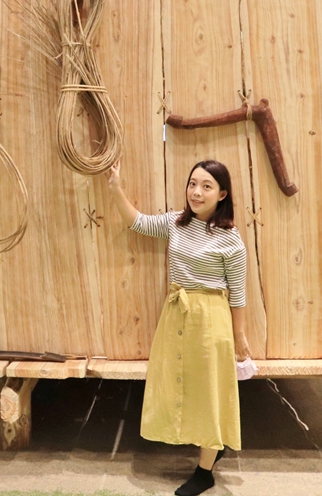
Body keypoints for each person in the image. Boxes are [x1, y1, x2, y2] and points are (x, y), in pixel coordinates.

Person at [105, 158, 249, 496]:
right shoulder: (175, 223)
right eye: (192, 184)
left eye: (206, 186)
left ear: (222, 194)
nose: (196, 192)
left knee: (208, 391)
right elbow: (137, 222)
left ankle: (204, 472)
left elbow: (238, 293)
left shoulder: (231, 240)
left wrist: (239, 336)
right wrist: (116, 189)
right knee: (177, 384)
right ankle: (211, 450)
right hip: (176, 314)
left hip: (211, 318)